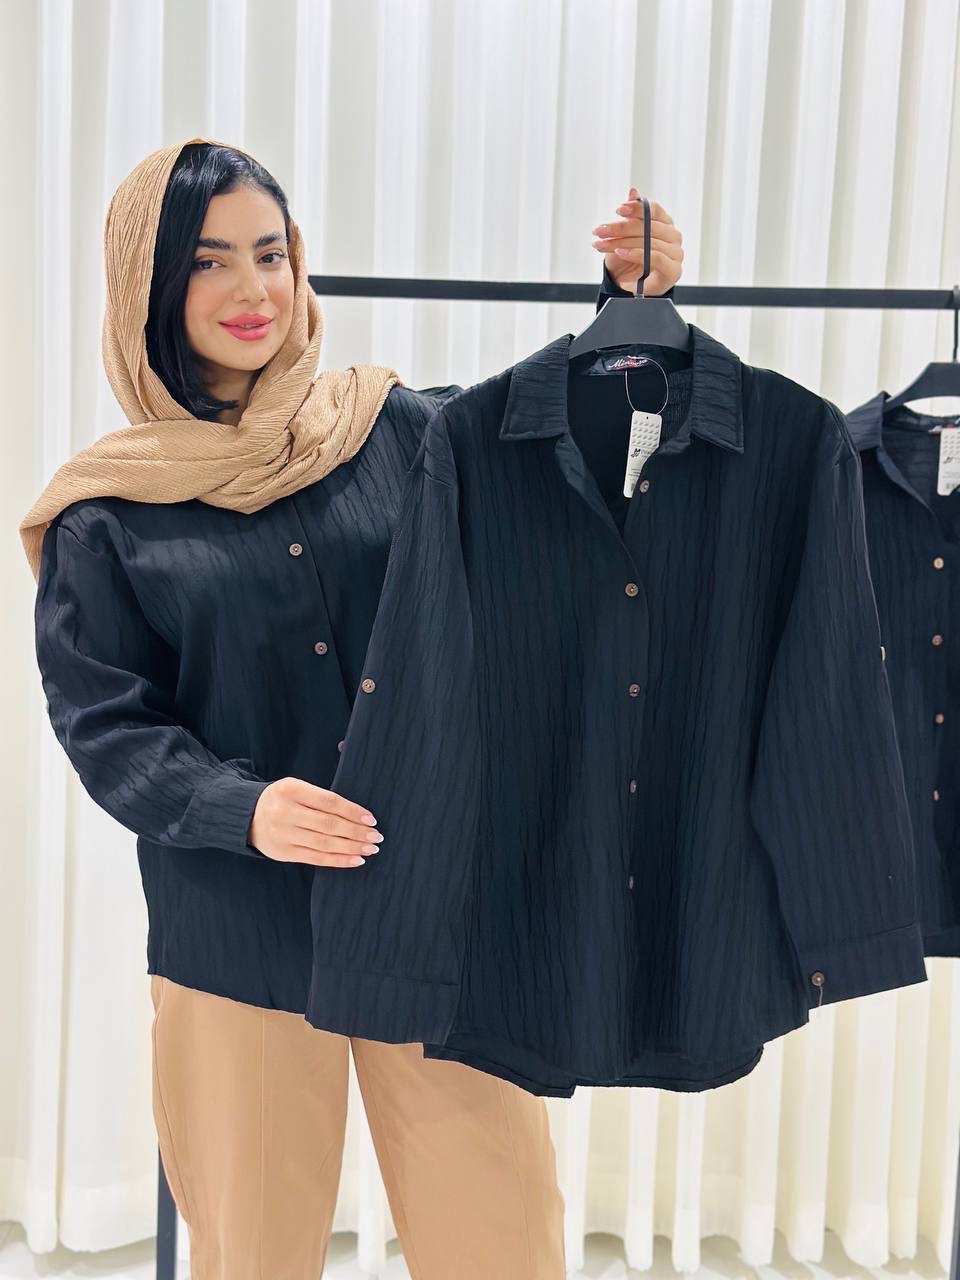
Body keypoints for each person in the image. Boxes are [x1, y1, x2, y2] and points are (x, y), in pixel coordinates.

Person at [20, 136, 684, 1280]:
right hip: (239, 930)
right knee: (253, 1250)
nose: (253, 289)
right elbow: (106, 724)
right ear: (147, 283)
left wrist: (632, 309)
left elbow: (558, 447)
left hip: (439, 906)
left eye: (270, 253)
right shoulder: (109, 514)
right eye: (209, 260)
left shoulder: (397, 430)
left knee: (501, 1238)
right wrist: (243, 806)